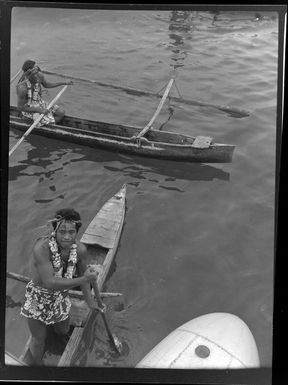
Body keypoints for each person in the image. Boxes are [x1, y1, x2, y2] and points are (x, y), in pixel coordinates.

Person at [20, 208, 104, 366]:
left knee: (63, 331)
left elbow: (84, 278)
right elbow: (50, 282)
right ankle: (38, 368)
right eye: (62, 232)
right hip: (38, 297)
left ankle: (61, 340)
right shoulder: (42, 249)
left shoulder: (79, 250)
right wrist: (83, 279)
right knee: (38, 340)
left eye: (71, 232)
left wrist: (91, 302)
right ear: (55, 230)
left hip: (61, 296)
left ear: (77, 232)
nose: (67, 236)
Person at [16, 59, 73, 126]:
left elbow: (47, 84)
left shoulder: (39, 75)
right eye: (35, 72)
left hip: (40, 103)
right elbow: (20, 107)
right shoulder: (22, 88)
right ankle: (45, 124)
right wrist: (39, 110)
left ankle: (48, 123)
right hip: (28, 108)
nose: (37, 74)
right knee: (50, 124)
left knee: (61, 112)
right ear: (29, 74)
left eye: (37, 69)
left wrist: (64, 83)